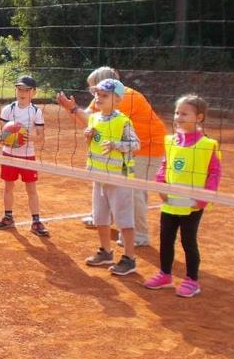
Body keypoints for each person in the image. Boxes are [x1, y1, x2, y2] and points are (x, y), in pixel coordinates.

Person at [57, 66, 166, 246]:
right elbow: (89, 120)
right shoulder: (103, 96)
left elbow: (90, 119)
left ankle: (139, 235)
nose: (94, 94)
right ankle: (102, 218)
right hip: (121, 147)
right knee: (105, 178)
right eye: (93, 90)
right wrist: (71, 109)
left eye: (95, 88)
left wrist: (74, 108)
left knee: (134, 190)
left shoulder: (125, 97)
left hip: (147, 148)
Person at [143, 95, 221, 298]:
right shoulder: (170, 141)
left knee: (188, 241)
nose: (178, 116)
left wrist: (202, 199)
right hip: (170, 201)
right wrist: (160, 185)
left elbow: (214, 174)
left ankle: (191, 280)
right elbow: (164, 165)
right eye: (177, 112)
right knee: (166, 239)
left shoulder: (208, 145)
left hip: (192, 204)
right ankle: (165, 274)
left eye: (184, 113)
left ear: (199, 117)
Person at [82, 79, 141, 276]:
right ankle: (106, 251)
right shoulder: (94, 118)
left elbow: (136, 145)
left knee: (124, 220)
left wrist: (117, 144)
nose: (98, 98)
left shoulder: (123, 121)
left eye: (104, 95)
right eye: (97, 94)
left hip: (119, 178)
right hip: (98, 176)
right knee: (99, 217)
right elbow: (93, 144)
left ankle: (129, 258)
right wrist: (88, 135)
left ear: (117, 100)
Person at [0, 76, 50, 236]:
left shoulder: (36, 112)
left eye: (26, 90)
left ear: (34, 92)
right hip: (9, 155)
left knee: (31, 189)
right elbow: (1, 130)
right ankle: (8, 217)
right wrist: (0, 137)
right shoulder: (8, 109)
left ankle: (36, 222)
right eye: (19, 89)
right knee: (8, 187)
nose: (22, 93)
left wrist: (29, 138)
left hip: (27, 155)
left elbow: (40, 136)